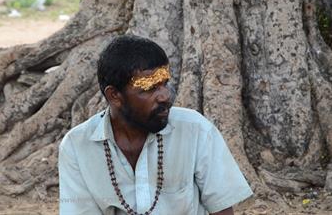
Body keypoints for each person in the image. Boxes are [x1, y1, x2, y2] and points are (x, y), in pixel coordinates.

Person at [59, 35, 253, 215]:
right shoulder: (77, 146)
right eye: (150, 88)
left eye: (164, 84)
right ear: (114, 96)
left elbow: (222, 208)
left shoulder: (195, 130)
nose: (165, 96)